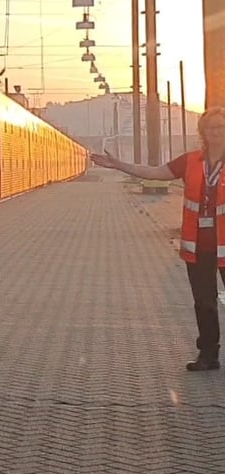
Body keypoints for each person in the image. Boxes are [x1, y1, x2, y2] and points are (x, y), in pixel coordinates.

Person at [91, 106, 225, 372]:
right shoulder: (190, 161)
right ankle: (208, 355)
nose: (217, 132)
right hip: (198, 247)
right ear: (203, 133)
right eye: (211, 128)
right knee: (204, 302)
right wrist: (118, 165)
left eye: (221, 127)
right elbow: (154, 172)